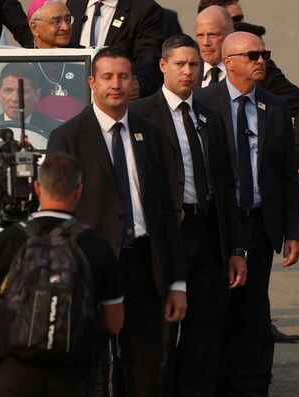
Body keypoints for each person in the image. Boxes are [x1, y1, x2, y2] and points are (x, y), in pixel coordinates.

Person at [48, 47, 186, 396]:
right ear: (92, 82)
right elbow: (57, 214)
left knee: (145, 367)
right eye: (107, 77)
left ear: (134, 82)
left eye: (123, 77)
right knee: (91, 366)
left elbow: (167, 210)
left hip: (143, 265)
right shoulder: (67, 137)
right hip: (91, 268)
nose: (116, 84)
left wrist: (177, 283)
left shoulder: (150, 134)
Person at [129, 35, 246, 395]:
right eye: (180, 64)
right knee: (162, 331)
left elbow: (227, 186)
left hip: (207, 231)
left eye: (194, 64)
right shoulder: (141, 114)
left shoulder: (209, 115)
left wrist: (236, 249)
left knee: (205, 332)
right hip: (165, 233)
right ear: (163, 66)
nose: (188, 71)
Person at [194, 32, 299, 395]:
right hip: (219, 225)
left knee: (254, 311)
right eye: (253, 55)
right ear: (230, 62)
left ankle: (254, 385)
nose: (262, 61)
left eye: (264, 54)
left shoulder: (276, 106)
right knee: (217, 308)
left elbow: (288, 174)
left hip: (259, 223)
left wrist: (293, 230)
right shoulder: (203, 101)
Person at [0, 152, 124, 397]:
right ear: (78, 191)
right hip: (72, 376)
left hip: (13, 374)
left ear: (37, 188)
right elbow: (114, 323)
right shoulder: (97, 245)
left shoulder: (9, 240)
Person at [194, 5, 299, 172]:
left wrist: (289, 160)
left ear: (231, 36)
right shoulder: (188, 69)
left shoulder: (257, 67)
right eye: (200, 36)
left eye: (213, 35)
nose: (205, 43)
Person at [66, 0, 165, 97]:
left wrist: (136, 86)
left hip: (119, 100)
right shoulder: (75, 1)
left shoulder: (144, 9)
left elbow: (148, 61)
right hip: (76, 97)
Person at [0, 63, 62, 137]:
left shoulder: (56, 130)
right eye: (8, 90)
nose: (15, 98)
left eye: (23, 91)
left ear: (37, 95)